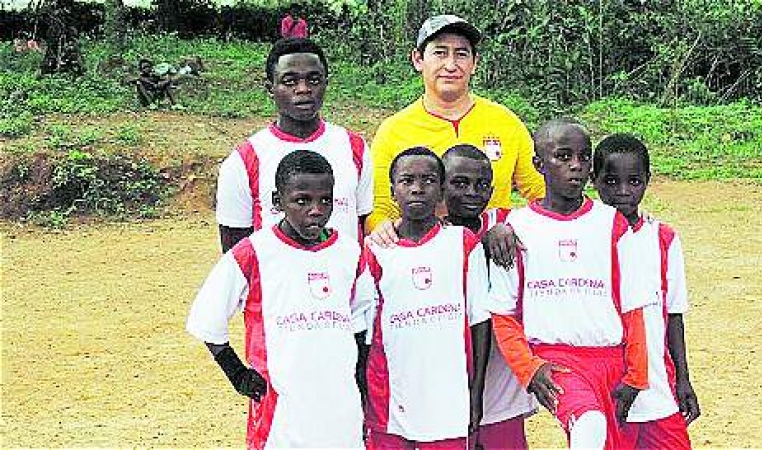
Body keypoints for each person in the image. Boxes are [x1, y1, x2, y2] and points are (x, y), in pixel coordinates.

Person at [484, 119, 653, 448]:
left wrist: (636, 374)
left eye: (583, 157)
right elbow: (503, 315)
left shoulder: (611, 224)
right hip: (556, 360)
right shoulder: (516, 228)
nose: (575, 166)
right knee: (588, 425)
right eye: (563, 157)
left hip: (612, 362)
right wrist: (529, 368)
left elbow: (633, 306)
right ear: (538, 164)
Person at [186, 150, 372, 448]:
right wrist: (237, 373)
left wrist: (360, 380)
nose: (316, 210)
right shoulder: (253, 253)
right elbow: (207, 319)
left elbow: (361, 320)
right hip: (281, 412)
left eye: (325, 200)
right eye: (302, 200)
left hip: (341, 406)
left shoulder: (349, 253)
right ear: (277, 201)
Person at [366, 15, 545, 241]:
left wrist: (513, 231)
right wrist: (383, 230)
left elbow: (541, 193)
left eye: (461, 54)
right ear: (418, 59)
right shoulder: (393, 131)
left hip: (496, 255)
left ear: (474, 63)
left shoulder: (505, 122)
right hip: (425, 257)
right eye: (440, 53)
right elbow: (379, 208)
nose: (450, 65)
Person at [364, 147, 491, 449]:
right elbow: (363, 330)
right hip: (389, 393)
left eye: (428, 180)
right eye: (407, 180)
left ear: (442, 190)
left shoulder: (462, 244)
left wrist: (475, 393)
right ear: (393, 191)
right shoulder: (375, 250)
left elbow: (480, 322)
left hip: (448, 396)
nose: (418, 188)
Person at [592, 133, 700, 449]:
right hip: (610, 390)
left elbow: (674, 315)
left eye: (634, 181)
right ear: (594, 181)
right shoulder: (587, 238)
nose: (623, 191)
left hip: (659, 389)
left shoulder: (663, 238)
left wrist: (683, 380)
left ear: (647, 181)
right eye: (611, 181)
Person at [215, 38, 372, 253]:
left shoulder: (355, 148)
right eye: (290, 81)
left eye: (313, 80)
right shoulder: (244, 161)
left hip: (344, 284)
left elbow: (364, 223)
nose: (303, 89)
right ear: (270, 88)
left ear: (326, 83)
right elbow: (235, 250)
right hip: (276, 285)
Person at [442, 144, 537, 449]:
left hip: (502, 384)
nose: (472, 192)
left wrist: (498, 230)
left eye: (482, 185)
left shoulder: (511, 222)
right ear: (440, 184)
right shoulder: (423, 231)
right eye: (460, 183)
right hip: (449, 377)